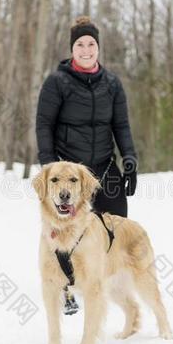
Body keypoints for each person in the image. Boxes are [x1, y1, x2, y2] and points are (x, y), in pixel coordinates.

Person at [35, 16, 138, 218]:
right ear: (72, 49)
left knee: (115, 229)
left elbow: (121, 126)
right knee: (70, 238)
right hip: (68, 171)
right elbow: (44, 125)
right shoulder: (56, 82)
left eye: (91, 44)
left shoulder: (112, 84)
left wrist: (130, 160)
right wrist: (49, 166)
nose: (86, 50)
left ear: (98, 47)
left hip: (105, 166)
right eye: (80, 44)